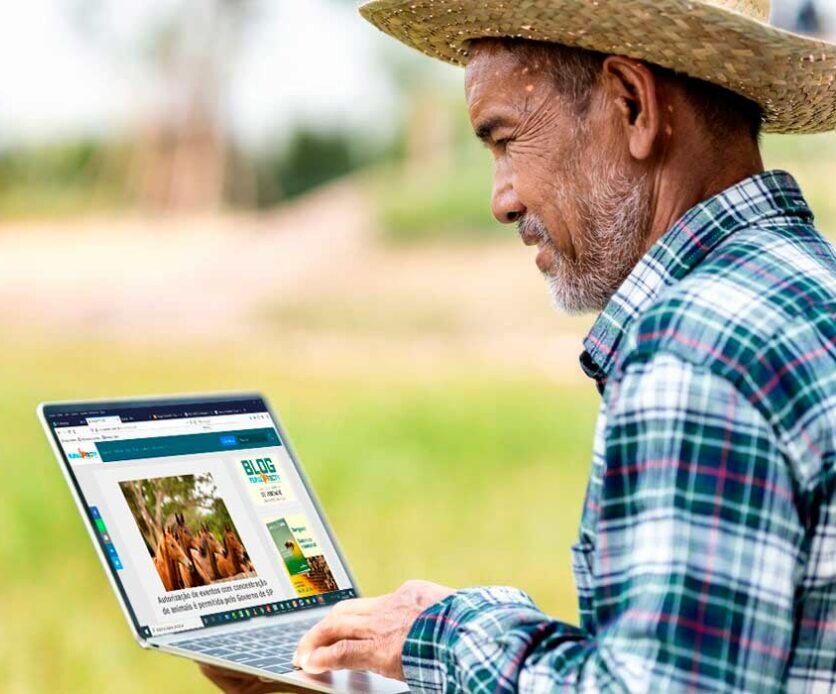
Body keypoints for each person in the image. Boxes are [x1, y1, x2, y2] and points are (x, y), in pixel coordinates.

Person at [202, 0, 836, 691]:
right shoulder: (803, 284)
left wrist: (441, 630)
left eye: (505, 141)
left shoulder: (694, 348)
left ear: (632, 106)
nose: (501, 200)